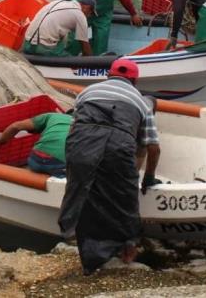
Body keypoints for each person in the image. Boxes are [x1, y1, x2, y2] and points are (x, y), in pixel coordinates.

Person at [58, 58, 161, 274]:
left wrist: (72, 160)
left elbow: (73, 128)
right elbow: (152, 148)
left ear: (108, 76)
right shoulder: (141, 102)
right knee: (124, 198)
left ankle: (77, 241)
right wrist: (148, 177)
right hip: (117, 144)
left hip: (81, 142)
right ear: (134, 80)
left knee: (83, 192)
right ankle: (127, 247)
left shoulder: (88, 91)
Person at [0, 111, 73, 177]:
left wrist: (0, 139)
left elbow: (16, 126)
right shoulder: (83, 126)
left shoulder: (54, 116)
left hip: (35, 159)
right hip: (58, 165)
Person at [23, 0, 96, 57]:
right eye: (90, 13)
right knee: (70, 60)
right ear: (87, 7)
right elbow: (85, 49)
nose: (89, 16)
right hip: (41, 48)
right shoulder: (80, 15)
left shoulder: (58, 2)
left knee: (63, 37)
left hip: (27, 43)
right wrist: (90, 63)